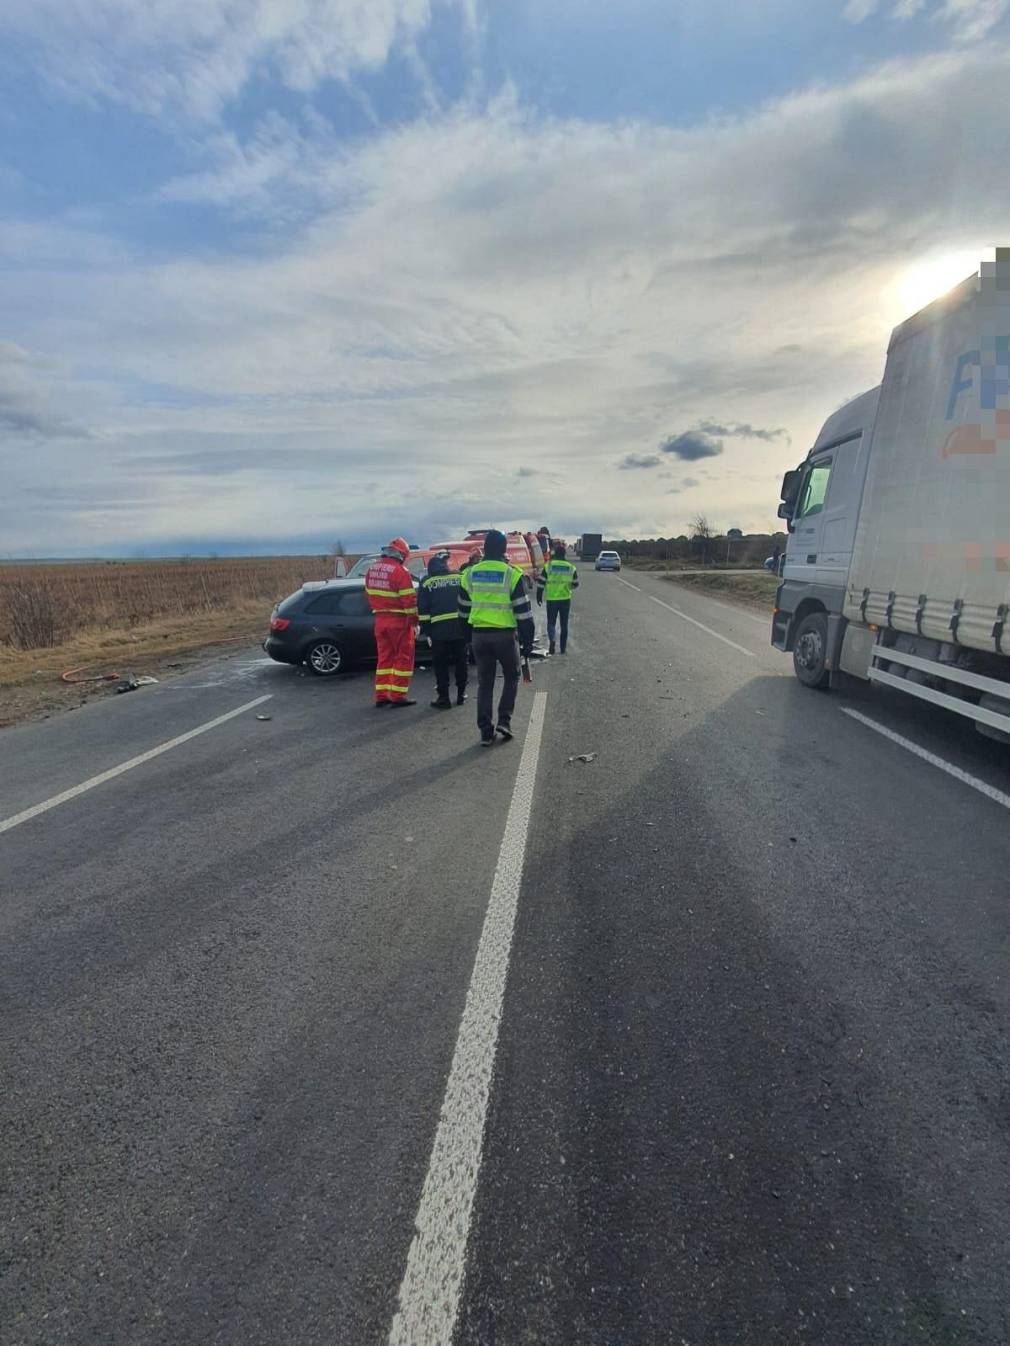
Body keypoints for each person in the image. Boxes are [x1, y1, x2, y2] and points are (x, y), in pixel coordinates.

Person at [458, 529, 535, 746]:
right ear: (503, 549)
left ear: (485, 548)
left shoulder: (469, 574)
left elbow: (462, 612)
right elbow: (524, 614)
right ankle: (504, 721)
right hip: (504, 636)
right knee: (512, 677)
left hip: (479, 636)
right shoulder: (512, 574)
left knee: (485, 683)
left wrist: (467, 639)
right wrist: (527, 642)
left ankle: (485, 731)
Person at [364, 537, 418, 707]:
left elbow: (368, 595)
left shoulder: (371, 570)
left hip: (380, 620)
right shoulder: (401, 572)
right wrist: (414, 622)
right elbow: (409, 601)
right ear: (402, 555)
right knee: (403, 658)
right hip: (399, 621)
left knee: (384, 659)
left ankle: (382, 694)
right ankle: (398, 695)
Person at [417, 551, 468, 708]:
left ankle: (444, 698)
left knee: (441, 666)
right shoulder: (458, 577)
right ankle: (461, 694)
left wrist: (427, 631)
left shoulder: (427, 583)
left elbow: (423, 611)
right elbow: (467, 601)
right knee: (461, 662)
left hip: (439, 633)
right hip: (460, 630)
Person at [536, 540, 579, 654]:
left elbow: (541, 583)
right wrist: (568, 586)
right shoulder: (571, 568)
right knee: (564, 624)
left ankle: (552, 641)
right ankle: (563, 649)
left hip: (552, 600)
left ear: (555, 554)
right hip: (565, 599)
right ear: (564, 554)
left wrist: (539, 596)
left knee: (551, 623)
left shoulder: (548, 566)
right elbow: (575, 584)